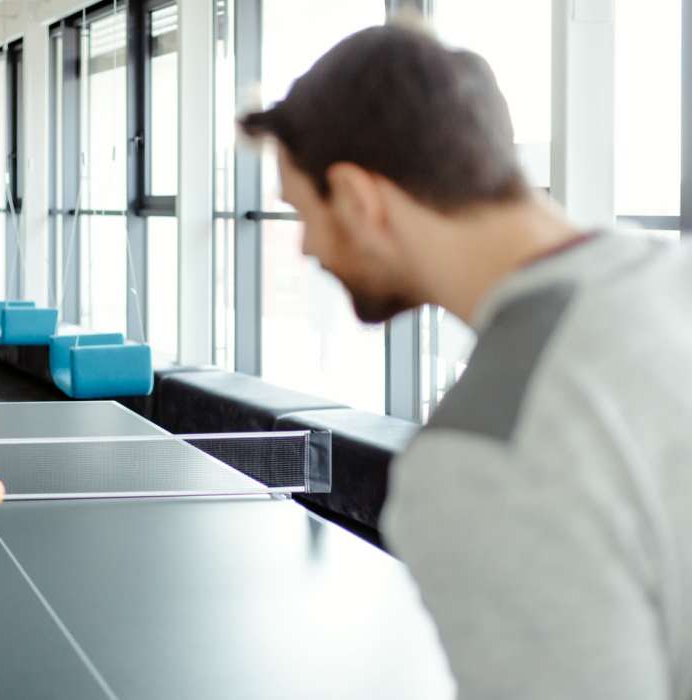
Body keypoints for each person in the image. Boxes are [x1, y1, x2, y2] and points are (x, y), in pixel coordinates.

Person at [241, 21, 691, 700]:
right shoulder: (672, 281)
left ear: (361, 199)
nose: (306, 249)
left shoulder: (482, 454)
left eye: (304, 212)